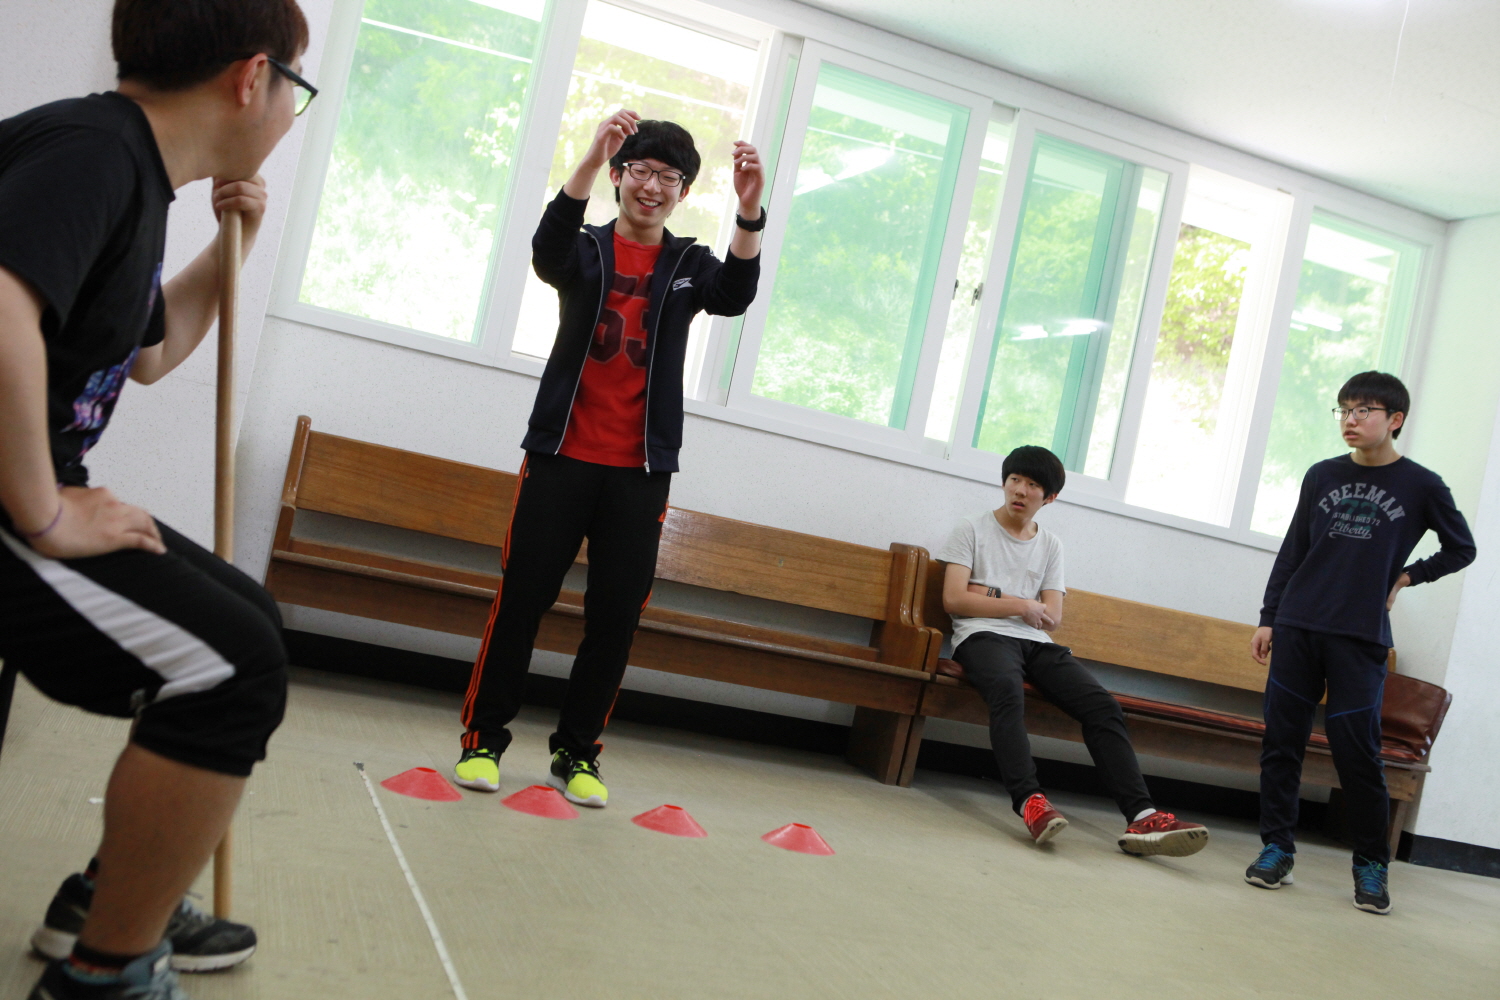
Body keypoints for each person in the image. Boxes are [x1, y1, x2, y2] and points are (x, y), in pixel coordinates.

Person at [0, 1, 314, 996]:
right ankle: (105, 974)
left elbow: (148, 353)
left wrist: (233, 244)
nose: (291, 111)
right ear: (252, 78)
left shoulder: (129, 167)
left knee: (248, 615)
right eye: (296, 88)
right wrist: (45, 509)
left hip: (27, 490)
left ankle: (108, 897)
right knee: (232, 667)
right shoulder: (93, 153)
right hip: (10, 502)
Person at [454, 111, 764, 808]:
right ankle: (483, 740)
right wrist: (592, 157)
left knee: (615, 618)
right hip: (561, 456)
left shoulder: (689, 265)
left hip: (640, 472)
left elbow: (734, 295)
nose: (652, 186)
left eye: (669, 177)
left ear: (683, 193)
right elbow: (546, 252)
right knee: (522, 601)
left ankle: (577, 752)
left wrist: (749, 211)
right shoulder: (586, 249)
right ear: (621, 177)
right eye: (641, 170)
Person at [1245, 371, 1474, 914]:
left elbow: (1461, 547)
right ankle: (1277, 849)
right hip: (1299, 625)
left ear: (1395, 420)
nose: (1350, 420)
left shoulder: (1422, 485)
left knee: (1358, 754)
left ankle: (1371, 865)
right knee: (1282, 743)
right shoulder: (1322, 474)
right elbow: (1294, 548)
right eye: (1344, 409)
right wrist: (1269, 617)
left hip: (1360, 636)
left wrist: (1407, 576)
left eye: (1363, 410)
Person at [935, 445, 1210, 857]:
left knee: (1103, 707)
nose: (1020, 490)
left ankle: (1142, 816)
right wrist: (1020, 604)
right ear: (1004, 482)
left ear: (1049, 498)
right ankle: (1030, 801)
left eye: (1032, 485)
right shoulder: (971, 529)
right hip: (981, 636)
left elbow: (1053, 617)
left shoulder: (1050, 545)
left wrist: (991, 592)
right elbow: (955, 599)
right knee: (1006, 691)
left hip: (1037, 643)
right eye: (1014, 480)